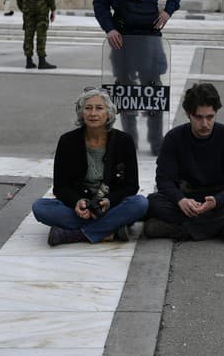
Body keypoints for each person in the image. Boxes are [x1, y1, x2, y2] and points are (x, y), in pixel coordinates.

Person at [93, 0, 182, 154]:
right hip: (122, 40)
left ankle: (155, 142)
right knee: (125, 95)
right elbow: (100, 3)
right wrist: (109, 29)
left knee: (153, 94)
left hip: (150, 38)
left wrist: (168, 11)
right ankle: (129, 142)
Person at [32, 88, 149, 245]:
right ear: (81, 113)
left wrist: (109, 201)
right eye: (88, 108)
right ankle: (111, 229)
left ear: (108, 113)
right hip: (82, 208)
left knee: (140, 204)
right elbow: (60, 187)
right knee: (40, 207)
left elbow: (131, 186)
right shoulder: (67, 141)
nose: (93, 113)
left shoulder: (124, 141)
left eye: (99, 108)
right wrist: (77, 202)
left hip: (109, 206)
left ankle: (76, 234)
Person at [145, 83, 224, 241]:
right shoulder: (174, 138)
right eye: (199, 117)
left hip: (217, 198)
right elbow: (163, 179)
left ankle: (179, 230)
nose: (205, 124)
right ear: (189, 114)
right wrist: (180, 200)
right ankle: (218, 227)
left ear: (216, 113)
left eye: (210, 117)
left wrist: (217, 201)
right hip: (186, 196)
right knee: (153, 202)